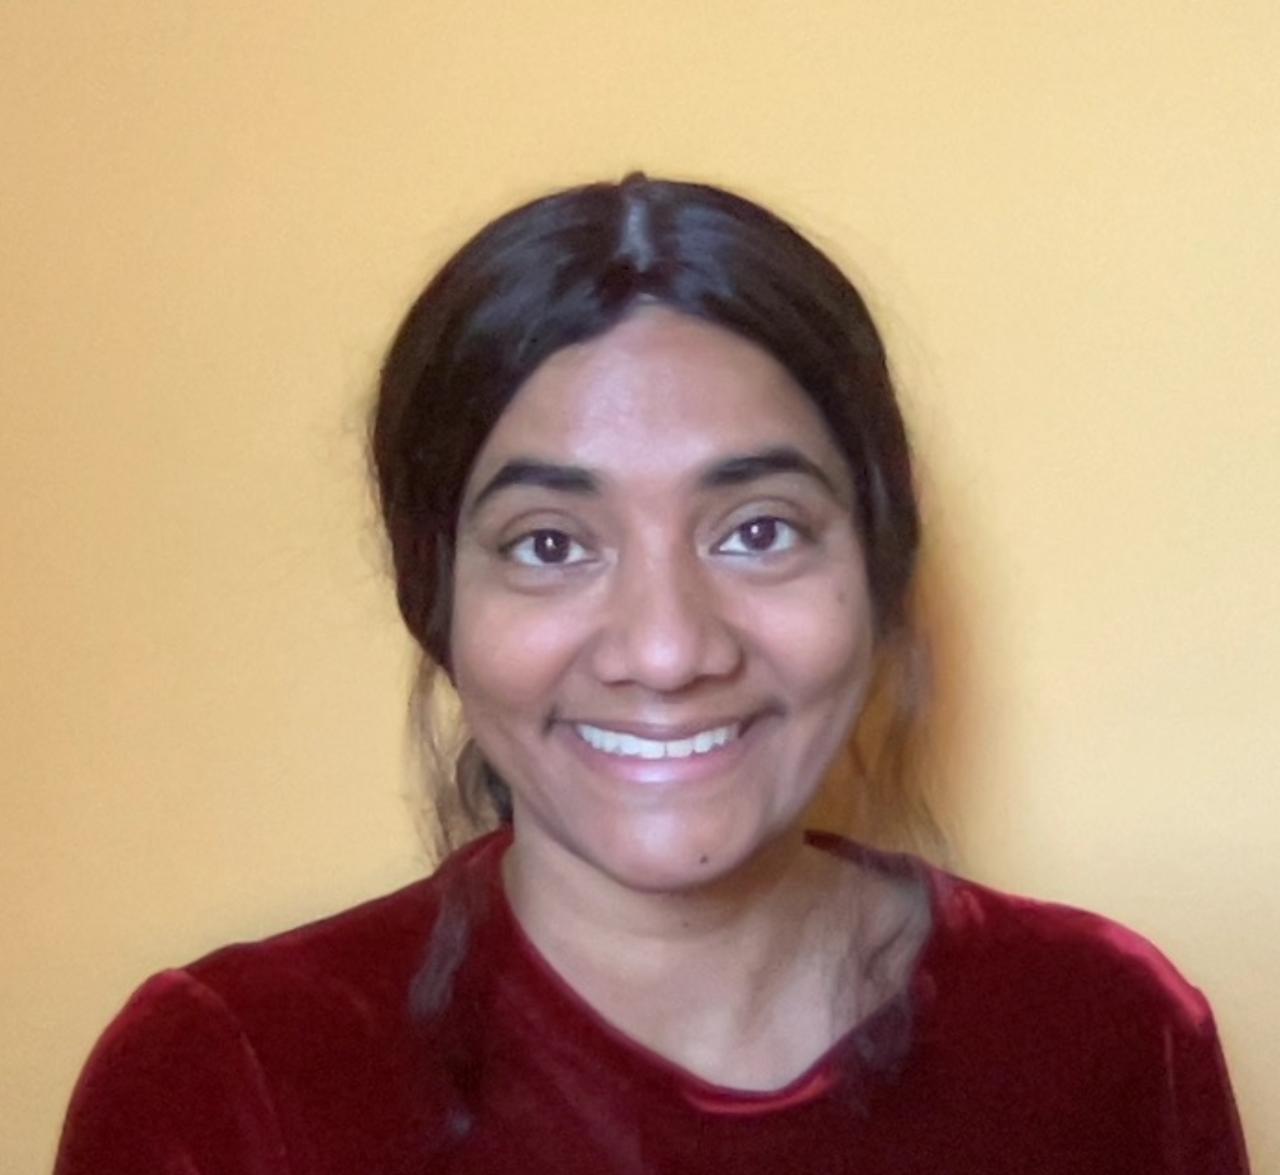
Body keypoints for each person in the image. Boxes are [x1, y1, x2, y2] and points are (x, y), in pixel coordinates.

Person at [54, 176, 1249, 1174]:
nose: (668, 650)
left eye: (757, 529)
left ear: (879, 570)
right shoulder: (226, 1078)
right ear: (439, 605)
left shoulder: (1105, 1033)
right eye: (549, 545)